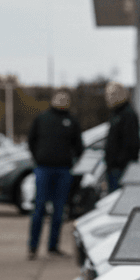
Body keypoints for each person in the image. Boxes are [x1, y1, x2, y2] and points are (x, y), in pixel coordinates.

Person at [27, 89, 83, 259]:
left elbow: (79, 146)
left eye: (65, 98)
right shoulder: (42, 119)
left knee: (59, 210)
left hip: (63, 170)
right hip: (44, 169)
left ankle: (53, 246)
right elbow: (31, 141)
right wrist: (38, 158)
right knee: (39, 208)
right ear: (53, 99)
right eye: (59, 97)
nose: (62, 100)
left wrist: (71, 161)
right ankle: (32, 247)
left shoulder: (72, 121)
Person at [104, 82, 140, 192]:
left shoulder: (127, 114)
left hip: (121, 169)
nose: (108, 98)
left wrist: (118, 162)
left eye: (111, 94)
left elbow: (131, 143)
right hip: (115, 168)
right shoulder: (116, 114)